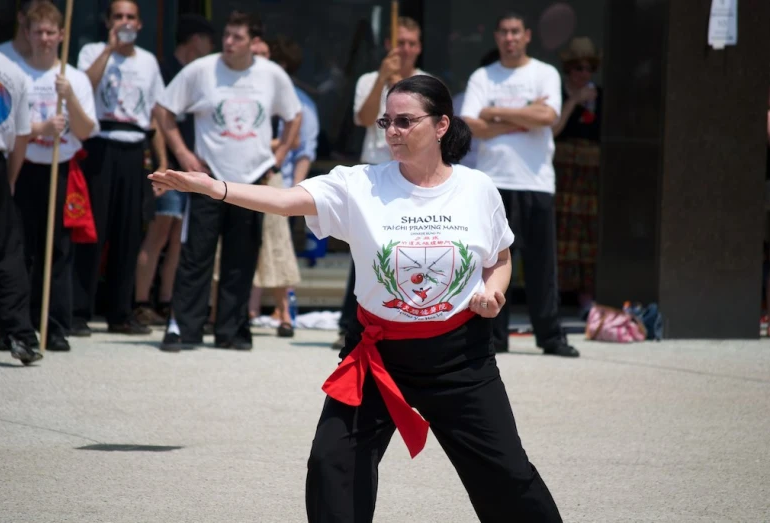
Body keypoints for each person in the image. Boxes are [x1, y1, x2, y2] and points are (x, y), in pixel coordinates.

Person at [150, 74, 563, 522]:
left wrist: (493, 291)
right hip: (378, 354)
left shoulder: (477, 189)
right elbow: (285, 200)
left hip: (461, 359)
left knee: (506, 474)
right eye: (387, 121)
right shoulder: (358, 184)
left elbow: (499, 257)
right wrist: (216, 188)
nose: (391, 132)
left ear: (442, 125)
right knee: (332, 465)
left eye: (405, 122)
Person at [153, 10, 302, 352]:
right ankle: (182, 329)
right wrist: (184, 155)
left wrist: (277, 160)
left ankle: (232, 331)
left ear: (254, 42)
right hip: (208, 178)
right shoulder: (201, 70)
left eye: (237, 37)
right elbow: (164, 109)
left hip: (251, 182)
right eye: (227, 35)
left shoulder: (271, 74)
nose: (229, 42)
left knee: (242, 258)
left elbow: (294, 115)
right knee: (196, 255)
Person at [460, 12, 579, 357]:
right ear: (497, 37)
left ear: (527, 35)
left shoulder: (545, 73)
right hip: (493, 182)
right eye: (504, 32)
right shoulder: (483, 76)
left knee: (542, 265)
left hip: (536, 181)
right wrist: (525, 114)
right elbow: (470, 124)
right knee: (494, 263)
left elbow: (548, 117)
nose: (510, 38)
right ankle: (495, 338)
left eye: (516, 32)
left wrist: (494, 113)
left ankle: (551, 337)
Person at [71, 0, 167, 337]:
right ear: (108, 21)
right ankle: (79, 310)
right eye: (118, 16)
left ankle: (120, 312)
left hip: (134, 147)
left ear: (139, 24)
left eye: (130, 17)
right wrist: (110, 49)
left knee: (129, 232)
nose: (124, 22)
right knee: (91, 230)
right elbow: (83, 88)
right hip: (100, 143)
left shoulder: (149, 61)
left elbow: (155, 114)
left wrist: (163, 162)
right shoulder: (93, 51)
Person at [333, 16, 426, 350]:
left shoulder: (426, 83)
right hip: (375, 171)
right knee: (365, 249)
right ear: (389, 45)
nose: (406, 49)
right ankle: (350, 324)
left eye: (412, 43)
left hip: (412, 174)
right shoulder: (369, 79)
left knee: (405, 250)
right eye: (400, 42)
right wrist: (383, 82)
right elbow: (363, 118)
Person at [11, 2, 98, 352]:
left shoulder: (73, 77)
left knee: (59, 249)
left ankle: (55, 326)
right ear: (28, 34)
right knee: (20, 249)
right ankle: (18, 325)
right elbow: (3, 126)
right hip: (24, 166)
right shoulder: (16, 74)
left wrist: (70, 98)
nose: (45, 38)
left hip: (61, 168)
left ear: (62, 35)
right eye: (38, 32)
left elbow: (87, 130)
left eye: (51, 32)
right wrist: (41, 128)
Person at [133, 14, 215, 326]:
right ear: (196, 39)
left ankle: (167, 302)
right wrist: (163, 164)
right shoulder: (166, 70)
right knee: (159, 233)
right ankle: (142, 301)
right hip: (166, 166)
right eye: (209, 40)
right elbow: (157, 118)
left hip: (192, 168)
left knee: (180, 236)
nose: (213, 47)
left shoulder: (200, 74)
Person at [249, 35, 320, 338]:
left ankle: (284, 311)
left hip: (282, 186)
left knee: (279, 250)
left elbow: (305, 151)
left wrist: (296, 193)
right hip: (247, 181)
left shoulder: (301, 104)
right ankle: (249, 309)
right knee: (248, 247)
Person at [0, 46, 43, 365]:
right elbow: (21, 136)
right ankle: (20, 334)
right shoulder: (12, 70)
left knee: (7, 251)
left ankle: (19, 334)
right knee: (6, 253)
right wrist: (10, 177)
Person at [551, 37, 602, 316]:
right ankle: (555, 296)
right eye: (578, 68)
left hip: (590, 178)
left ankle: (586, 297)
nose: (584, 74)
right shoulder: (557, 93)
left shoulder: (601, 96)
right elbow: (554, 130)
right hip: (563, 174)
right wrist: (574, 101)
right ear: (569, 69)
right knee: (560, 233)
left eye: (589, 68)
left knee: (587, 235)